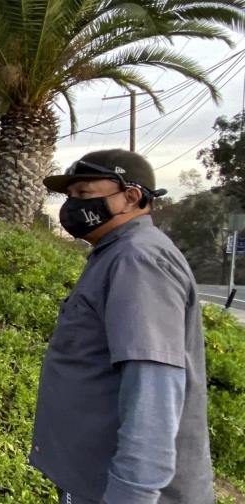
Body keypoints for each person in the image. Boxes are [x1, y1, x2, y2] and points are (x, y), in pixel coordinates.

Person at [32, 149, 214, 504]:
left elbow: (154, 388)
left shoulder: (138, 259)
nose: (71, 206)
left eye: (84, 194)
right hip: (93, 480)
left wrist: (131, 494)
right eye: (69, 196)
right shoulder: (116, 253)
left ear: (131, 197)